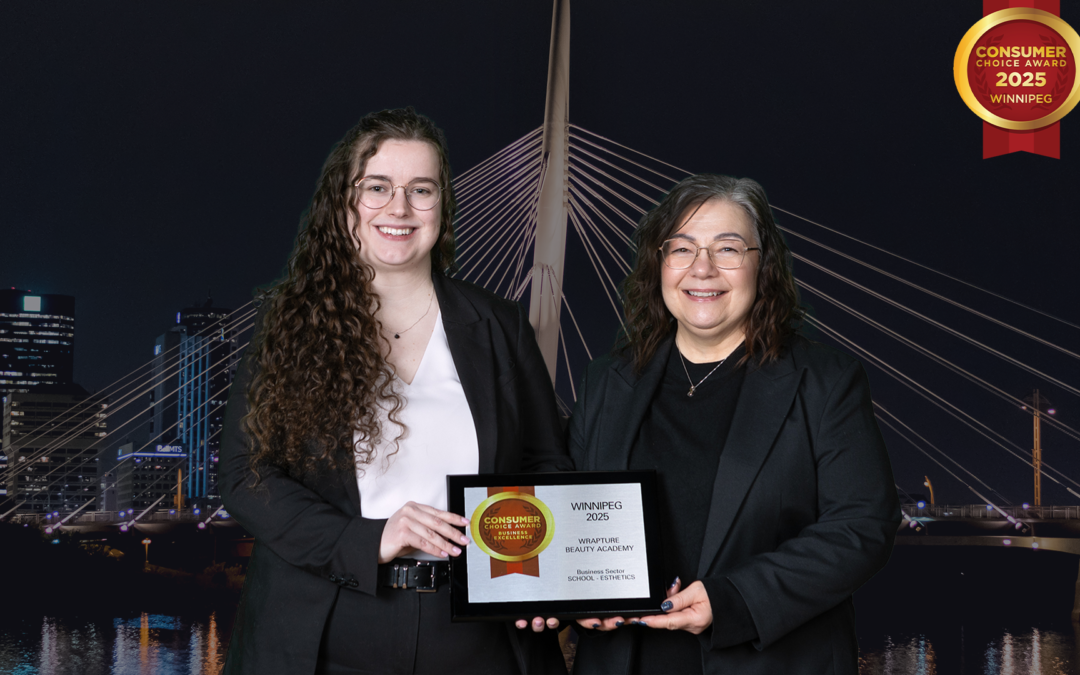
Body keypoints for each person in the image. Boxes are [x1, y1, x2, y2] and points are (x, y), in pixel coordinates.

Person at [219, 107, 572, 675]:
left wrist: (541, 573)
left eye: (421, 189)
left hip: (479, 629)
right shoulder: (289, 324)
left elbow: (545, 463)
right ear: (345, 201)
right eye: (377, 187)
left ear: (443, 205)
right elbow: (244, 476)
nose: (399, 209)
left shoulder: (500, 325)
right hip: (326, 626)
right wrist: (367, 540)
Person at [568, 174, 900, 674]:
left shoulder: (825, 381)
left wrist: (732, 601)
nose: (702, 269)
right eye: (681, 248)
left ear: (762, 265)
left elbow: (862, 526)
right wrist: (566, 595)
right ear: (659, 264)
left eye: (727, 249)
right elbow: (572, 517)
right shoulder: (606, 381)